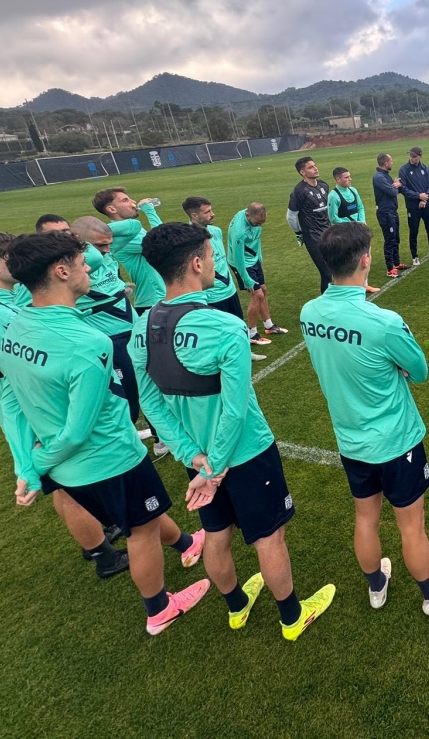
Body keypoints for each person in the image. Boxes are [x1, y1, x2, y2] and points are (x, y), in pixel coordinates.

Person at [132, 222, 336, 640]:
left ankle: (237, 608)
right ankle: (293, 617)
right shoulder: (224, 327)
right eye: (209, 255)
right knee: (269, 538)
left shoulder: (141, 329)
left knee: (217, 535)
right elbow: (235, 406)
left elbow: (150, 404)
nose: (212, 261)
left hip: (200, 462)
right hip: (242, 455)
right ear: (195, 263)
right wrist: (217, 466)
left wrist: (194, 458)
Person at [0, 230, 209, 635]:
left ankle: (185, 544)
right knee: (142, 530)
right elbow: (78, 431)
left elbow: (12, 403)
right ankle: (159, 608)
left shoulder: (15, 327)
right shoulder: (87, 342)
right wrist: (34, 466)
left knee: (142, 514)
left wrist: (26, 464)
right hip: (110, 458)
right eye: (81, 264)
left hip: (69, 473)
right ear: (61, 271)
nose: (88, 270)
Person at [301, 223, 429, 615]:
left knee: (365, 518)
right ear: (366, 260)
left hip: (351, 438)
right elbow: (419, 371)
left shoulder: (309, 312)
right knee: (411, 526)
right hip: (395, 440)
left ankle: (377, 586)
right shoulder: (382, 321)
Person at [0, 229, 127, 579]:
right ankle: (102, 553)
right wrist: (26, 460)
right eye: (9, 255)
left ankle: (100, 533)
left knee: (68, 483)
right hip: (36, 415)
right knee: (65, 487)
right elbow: (22, 380)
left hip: (36, 411)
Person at [71, 216, 151, 438]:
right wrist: (72, 239)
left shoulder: (103, 252)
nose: (107, 250)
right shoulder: (75, 269)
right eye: (100, 245)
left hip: (134, 331)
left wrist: (104, 233)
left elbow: (134, 226)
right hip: (111, 341)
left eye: (108, 243)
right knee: (128, 397)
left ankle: (159, 438)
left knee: (152, 386)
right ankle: (126, 441)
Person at [92, 187, 166, 312]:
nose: (133, 202)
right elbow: (163, 242)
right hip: (153, 300)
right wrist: (149, 210)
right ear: (112, 209)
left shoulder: (131, 229)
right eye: (125, 200)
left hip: (158, 297)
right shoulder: (122, 235)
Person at [228, 203, 285, 347]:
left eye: (261, 223)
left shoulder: (254, 217)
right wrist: (246, 279)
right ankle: (251, 333)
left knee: (263, 290)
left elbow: (257, 237)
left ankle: (269, 326)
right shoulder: (239, 231)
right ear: (248, 215)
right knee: (257, 295)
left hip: (253, 259)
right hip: (241, 264)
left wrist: (259, 255)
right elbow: (237, 256)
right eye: (257, 223)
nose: (259, 226)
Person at [182, 196, 242, 319]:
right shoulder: (189, 240)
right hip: (212, 298)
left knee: (239, 329)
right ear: (194, 215)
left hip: (230, 292)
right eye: (207, 212)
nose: (212, 214)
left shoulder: (216, 231)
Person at [328, 167, 379, 293]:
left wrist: (361, 221)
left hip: (359, 229)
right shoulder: (334, 196)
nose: (350, 179)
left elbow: (360, 207)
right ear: (338, 179)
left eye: (349, 176)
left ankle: (364, 284)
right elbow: (333, 217)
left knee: (365, 255)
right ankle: (346, 285)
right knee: (349, 258)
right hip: (345, 233)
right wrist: (351, 224)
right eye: (346, 177)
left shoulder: (353, 190)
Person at [288, 156, 335, 294]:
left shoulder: (323, 185)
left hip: (329, 234)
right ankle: (325, 305)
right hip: (313, 238)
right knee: (327, 273)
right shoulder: (299, 191)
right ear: (302, 172)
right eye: (310, 167)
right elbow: (290, 216)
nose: (315, 168)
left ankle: (336, 301)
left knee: (336, 270)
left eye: (315, 165)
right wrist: (298, 233)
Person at [398, 147, 429, 265]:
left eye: (415, 156)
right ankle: (414, 256)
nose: (412, 158)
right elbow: (403, 188)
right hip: (413, 207)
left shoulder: (425, 168)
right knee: (414, 231)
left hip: (427, 204)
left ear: (420, 156)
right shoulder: (404, 170)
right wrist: (418, 196)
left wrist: (425, 197)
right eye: (411, 156)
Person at [372, 153, 406, 278]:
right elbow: (392, 192)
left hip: (392, 211)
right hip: (385, 213)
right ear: (385, 163)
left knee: (396, 238)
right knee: (390, 239)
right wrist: (396, 186)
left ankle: (396, 263)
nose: (392, 162)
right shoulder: (379, 177)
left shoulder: (385, 175)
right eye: (390, 160)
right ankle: (390, 268)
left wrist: (395, 184)